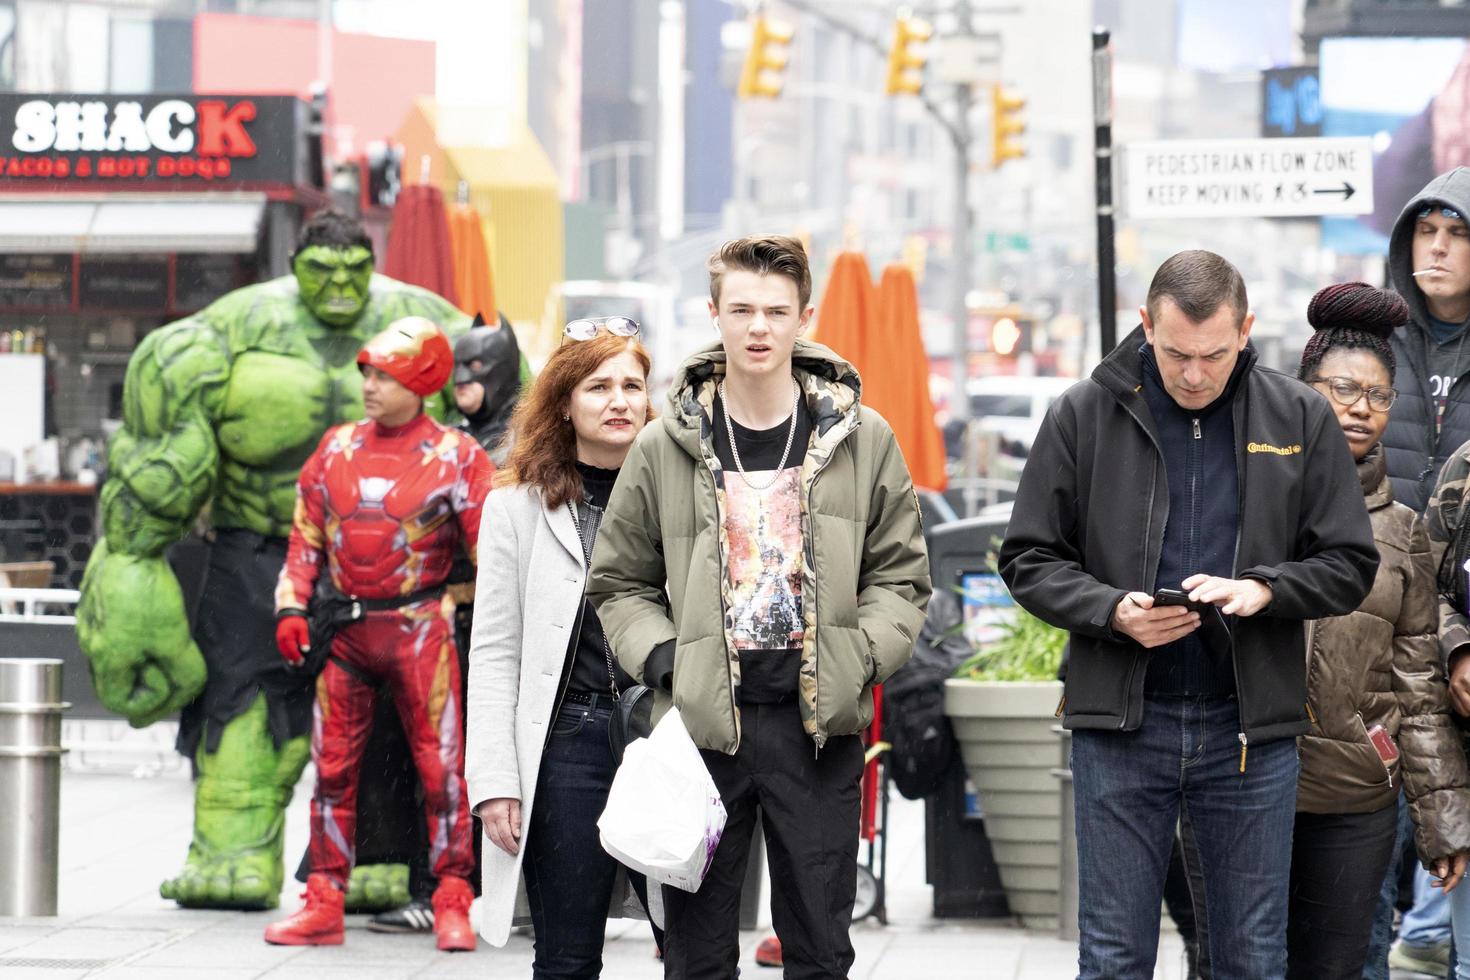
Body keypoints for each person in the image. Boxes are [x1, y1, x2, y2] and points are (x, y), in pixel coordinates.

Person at [74, 209, 471, 910]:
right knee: (243, 697)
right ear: (296, 265)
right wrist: (128, 576)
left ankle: (378, 858)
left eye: (354, 271)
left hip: (395, 568)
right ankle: (229, 851)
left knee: (388, 711)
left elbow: (510, 435)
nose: (340, 288)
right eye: (323, 272)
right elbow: (152, 477)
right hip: (256, 549)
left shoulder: (430, 321)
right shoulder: (224, 332)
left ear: (370, 263)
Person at [998, 249, 1379, 979]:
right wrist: (1112, 611)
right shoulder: (1082, 413)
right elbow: (1028, 558)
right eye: (1175, 354)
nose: (1196, 374)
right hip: (1120, 726)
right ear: (1145, 326)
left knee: (1252, 958)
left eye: (1214, 354)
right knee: (1112, 958)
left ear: (1247, 331)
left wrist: (1266, 590)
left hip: (1249, 732)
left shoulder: (1297, 414)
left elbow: (1349, 563)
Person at [587, 235, 932, 979]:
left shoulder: (861, 439)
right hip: (704, 726)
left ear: (805, 316)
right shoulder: (664, 444)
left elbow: (902, 578)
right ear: (714, 314)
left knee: (818, 950)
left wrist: (859, 655)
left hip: (817, 730)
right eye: (741, 309)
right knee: (697, 955)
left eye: (776, 310)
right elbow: (619, 581)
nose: (758, 327)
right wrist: (666, 660)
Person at [263, 317, 492, 951]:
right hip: (347, 635)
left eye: (384, 374)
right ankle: (324, 901)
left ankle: (452, 899)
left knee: (443, 772)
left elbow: (491, 557)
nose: (369, 384)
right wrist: (291, 608)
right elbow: (305, 537)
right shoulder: (335, 447)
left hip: (421, 632)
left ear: (419, 381)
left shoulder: (457, 456)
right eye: (366, 371)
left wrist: (487, 623)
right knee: (332, 770)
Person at [1282, 282, 1470, 980]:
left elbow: (1418, 686)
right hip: (1245, 785)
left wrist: (1442, 820)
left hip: (1356, 792)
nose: (1362, 407)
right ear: (1304, 389)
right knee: (1239, 961)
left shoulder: (1402, 532)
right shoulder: (1251, 497)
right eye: (1343, 388)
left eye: (1380, 395)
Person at [464, 318, 662, 975]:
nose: (619, 400)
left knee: (695, 950)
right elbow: (494, 650)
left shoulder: (682, 495)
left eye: (632, 385)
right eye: (598, 385)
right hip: (567, 740)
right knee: (569, 956)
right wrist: (495, 781)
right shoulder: (515, 507)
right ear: (564, 403)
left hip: (668, 736)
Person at [365, 312, 528, 936]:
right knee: (429, 757)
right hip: (436, 619)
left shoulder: (523, 443)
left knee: (486, 760)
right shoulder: (449, 441)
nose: (464, 384)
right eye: (457, 372)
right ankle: (438, 885)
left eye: (477, 371)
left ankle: (481, 889)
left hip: (496, 619)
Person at [1382, 167, 1470, 513]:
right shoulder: (1372, 336)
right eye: (1425, 231)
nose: (1437, 247)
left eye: (1458, 233)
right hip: (1382, 558)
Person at [453, 312, 525, 464]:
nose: (460, 379)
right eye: (456, 366)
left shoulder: (527, 438)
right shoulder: (452, 437)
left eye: (475, 366)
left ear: (503, 371)